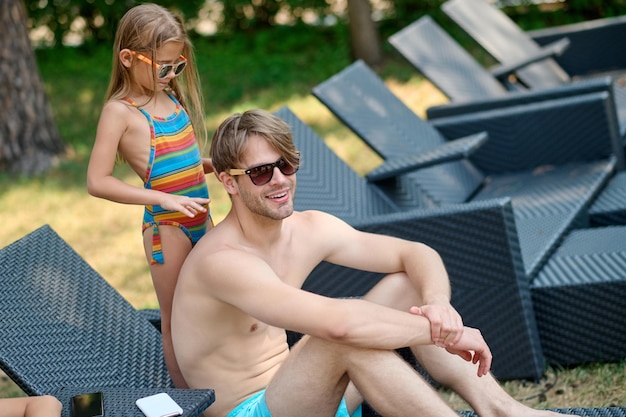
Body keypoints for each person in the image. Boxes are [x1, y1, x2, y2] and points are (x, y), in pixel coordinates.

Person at [171, 109, 579, 417]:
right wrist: (446, 335)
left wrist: (438, 305)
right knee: (339, 337)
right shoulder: (222, 262)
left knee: (409, 285)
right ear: (229, 182)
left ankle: (502, 410)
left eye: (286, 164)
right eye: (260, 172)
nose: (279, 180)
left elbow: (416, 253)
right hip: (251, 411)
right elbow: (339, 326)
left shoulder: (309, 227)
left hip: (309, 394)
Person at [86, 3, 212, 388]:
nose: (170, 74)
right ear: (128, 58)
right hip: (167, 230)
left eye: (177, 66)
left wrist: (213, 164)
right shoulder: (120, 113)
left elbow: (184, 163)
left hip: (201, 217)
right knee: (176, 318)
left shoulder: (171, 97)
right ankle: (186, 397)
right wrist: (162, 199)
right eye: (163, 67)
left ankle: (220, 377)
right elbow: (97, 181)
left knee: (211, 307)